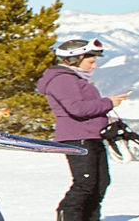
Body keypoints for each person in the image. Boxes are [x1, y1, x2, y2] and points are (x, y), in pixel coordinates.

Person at [39, 39, 128, 221]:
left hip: (90, 136)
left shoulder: (74, 79)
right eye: (90, 61)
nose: (94, 66)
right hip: (78, 137)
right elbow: (77, 109)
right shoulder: (62, 80)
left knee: (100, 183)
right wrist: (109, 102)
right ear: (74, 60)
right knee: (85, 184)